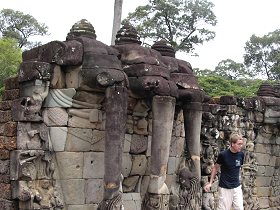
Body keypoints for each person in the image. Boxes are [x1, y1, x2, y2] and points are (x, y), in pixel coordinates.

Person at [204, 133, 244, 210]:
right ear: (232, 144)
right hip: (225, 188)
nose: (241, 146)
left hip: (237, 187)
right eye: (239, 144)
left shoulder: (241, 155)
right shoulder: (223, 155)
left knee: (240, 208)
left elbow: (239, 168)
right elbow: (215, 168)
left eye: (241, 144)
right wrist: (210, 183)